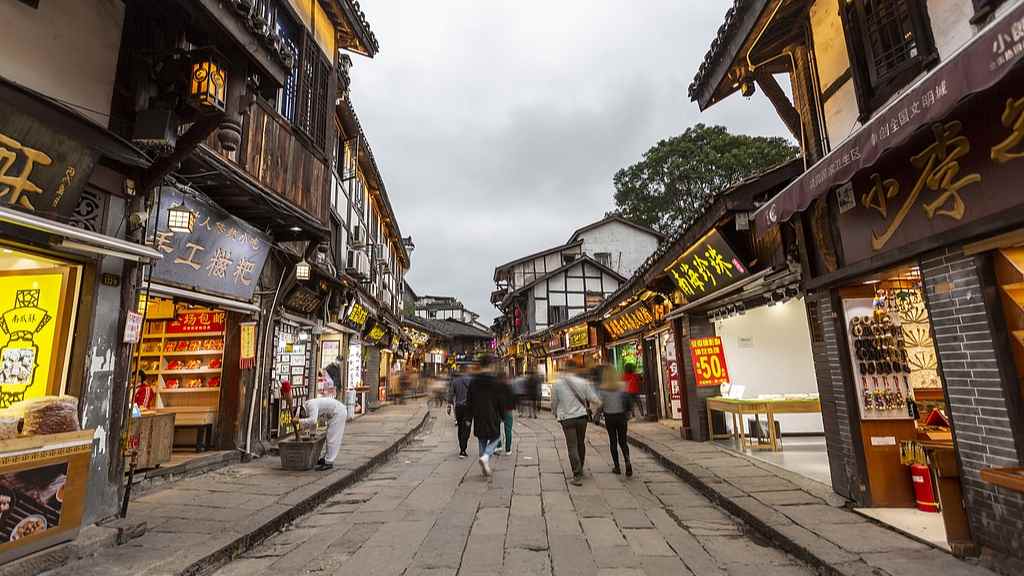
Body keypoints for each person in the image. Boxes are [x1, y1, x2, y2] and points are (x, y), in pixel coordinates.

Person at [551, 359, 601, 486]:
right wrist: (601, 406)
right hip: (581, 417)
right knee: (580, 443)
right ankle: (581, 467)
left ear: (566, 368)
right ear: (575, 369)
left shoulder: (557, 384)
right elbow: (593, 398)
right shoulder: (583, 382)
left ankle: (577, 473)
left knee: (572, 445)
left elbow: (554, 402)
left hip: (566, 418)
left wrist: (555, 412)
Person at [467, 354, 504, 477]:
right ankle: (486, 456)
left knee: (482, 440)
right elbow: (500, 400)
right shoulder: (495, 381)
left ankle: (484, 466)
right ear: (491, 365)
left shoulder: (473, 382)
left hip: (479, 415)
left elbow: (469, 401)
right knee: (496, 437)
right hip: (492, 414)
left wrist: (468, 418)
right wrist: (502, 415)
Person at [294, 393, 348, 472]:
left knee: (332, 438)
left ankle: (329, 462)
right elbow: (314, 423)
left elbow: (313, 420)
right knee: (329, 437)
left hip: (338, 413)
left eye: (303, 417)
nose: (304, 417)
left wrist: (299, 421)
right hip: (334, 414)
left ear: (302, 412)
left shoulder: (311, 405)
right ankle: (326, 458)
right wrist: (312, 435)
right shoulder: (308, 406)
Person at [596, 364, 633, 476]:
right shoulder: (622, 385)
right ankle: (627, 462)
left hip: (609, 417)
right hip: (621, 416)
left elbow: (601, 404)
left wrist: (597, 413)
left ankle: (617, 467)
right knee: (623, 441)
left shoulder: (603, 389)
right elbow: (628, 401)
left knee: (613, 441)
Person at [449, 365, 475, 458]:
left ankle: (462, 448)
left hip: (459, 408)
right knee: (467, 428)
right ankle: (463, 449)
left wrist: (449, 405)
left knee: (460, 428)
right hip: (468, 409)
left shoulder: (455, 381)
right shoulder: (471, 380)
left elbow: (451, 394)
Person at [499, 375, 516, 455]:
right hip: (508, 410)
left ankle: (498, 445)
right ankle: (508, 449)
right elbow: (514, 398)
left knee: (497, 429)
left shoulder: (496, 388)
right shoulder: (510, 388)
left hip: (498, 411)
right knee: (508, 430)